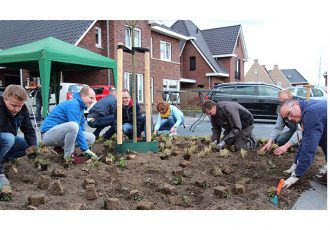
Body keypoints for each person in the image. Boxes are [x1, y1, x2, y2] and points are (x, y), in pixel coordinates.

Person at [40, 86, 98, 161]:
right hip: (48, 134)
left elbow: (81, 130)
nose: (94, 100)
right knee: (73, 126)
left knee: (91, 138)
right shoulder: (73, 104)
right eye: (91, 98)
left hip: (58, 135)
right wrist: (85, 149)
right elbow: (76, 127)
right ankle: (68, 157)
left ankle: (59, 149)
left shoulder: (80, 108)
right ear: (83, 96)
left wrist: (86, 149)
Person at [279, 99, 327, 188]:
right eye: (286, 118)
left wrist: (297, 175)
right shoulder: (304, 110)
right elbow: (304, 142)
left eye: (289, 113)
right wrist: (294, 165)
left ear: (296, 104)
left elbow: (309, 148)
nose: (289, 118)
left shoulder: (312, 113)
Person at [0, 85, 37, 189]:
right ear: (5, 98)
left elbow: (29, 130)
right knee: (8, 138)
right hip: (5, 139)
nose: (16, 109)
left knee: (26, 146)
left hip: (7, 141)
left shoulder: (22, 109)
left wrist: (34, 147)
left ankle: (3, 160)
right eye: (13, 105)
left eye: (19, 106)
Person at [260, 89, 301, 155]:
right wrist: (269, 141)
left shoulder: (297, 109)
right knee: (279, 140)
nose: (282, 104)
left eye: (284, 101)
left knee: (300, 142)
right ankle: (293, 144)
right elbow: (278, 127)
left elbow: (300, 130)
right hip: (293, 131)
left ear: (291, 99)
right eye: (281, 102)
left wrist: (286, 146)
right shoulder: (281, 111)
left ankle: (297, 145)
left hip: (304, 131)